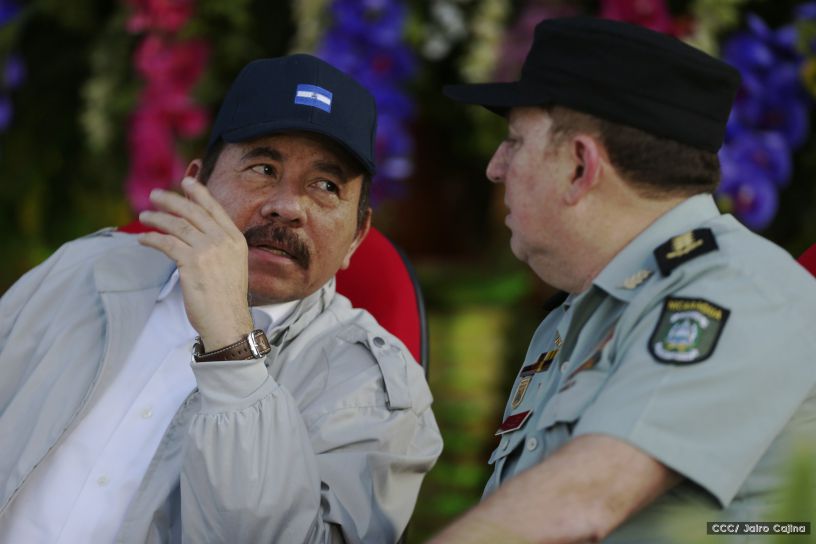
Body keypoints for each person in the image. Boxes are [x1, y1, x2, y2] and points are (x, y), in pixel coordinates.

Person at [0, 54, 442, 543]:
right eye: (262, 167)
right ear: (196, 186)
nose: (287, 207)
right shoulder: (81, 271)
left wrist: (232, 343)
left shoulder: (377, 384)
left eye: (325, 186)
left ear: (357, 237)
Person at [433, 16, 816, 543]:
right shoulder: (579, 310)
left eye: (516, 141)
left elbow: (580, 503)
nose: (495, 168)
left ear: (579, 168)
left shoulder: (735, 293)